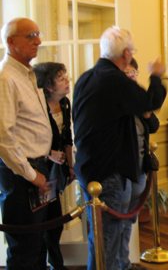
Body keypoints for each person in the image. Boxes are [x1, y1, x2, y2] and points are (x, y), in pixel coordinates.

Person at [73, 26, 166, 270]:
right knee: (108, 240)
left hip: (89, 167)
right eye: (131, 52)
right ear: (126, 54)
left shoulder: (87, 77)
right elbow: (150, 102)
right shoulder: (113, 80)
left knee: (103, 238)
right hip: (108, 171)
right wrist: (156, 75)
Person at [0, 18, 56, 269]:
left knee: (37, 245)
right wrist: (32, 175)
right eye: (31, 35)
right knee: (24, 250)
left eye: (38, 33)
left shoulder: (27, 73)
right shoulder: (5, 78)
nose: (39, 41)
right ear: (11, 42)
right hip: (22, 175)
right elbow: (4, 137)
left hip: (37, 169)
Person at [33, 61, 74, 270]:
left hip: (58, 171)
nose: (67, 81)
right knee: (40, 222)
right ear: (48, 85)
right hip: (38, 170)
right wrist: (49, 154)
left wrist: (71, 165)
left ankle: (55, 263)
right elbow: (28, 139)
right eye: (61, 78)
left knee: (55, 221)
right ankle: (49, 264)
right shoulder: (37, 106)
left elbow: (67, 137)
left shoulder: (65, 103)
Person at [124, 59, 159, 220]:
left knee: (133, 210)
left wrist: (148, 115)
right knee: (122, 211)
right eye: (127, 73)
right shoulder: (118, 98)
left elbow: (154, 126)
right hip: (124, 165)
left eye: (134, 72)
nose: (131, 76)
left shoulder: (139, 96)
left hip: (140, 161)